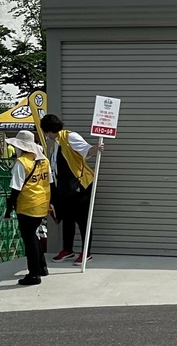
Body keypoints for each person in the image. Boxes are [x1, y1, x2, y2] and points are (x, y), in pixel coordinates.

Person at [40, 113, 100, 265]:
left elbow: (86, 150)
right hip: (65, 188)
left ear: (50, 130)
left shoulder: (70, 137)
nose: (46, 135)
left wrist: (96, 149)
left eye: (46, 132)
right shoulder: (56, 142)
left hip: (80, 185)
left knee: (83, 219)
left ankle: (86, 252)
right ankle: (68, 249)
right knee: (67, 219)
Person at [3, 129, 51, 285]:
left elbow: (15, 189)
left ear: (20, 146)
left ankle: (34, 274)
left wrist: (9, 209)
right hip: (42, 203)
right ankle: (42, 267)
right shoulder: (44, 161)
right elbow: (50, 182)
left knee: (28, 238)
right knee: (33, 235)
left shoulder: (21, 163)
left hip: (27, 205)